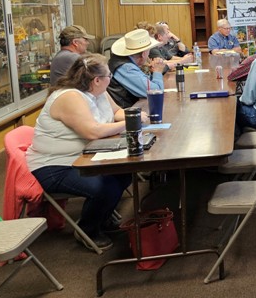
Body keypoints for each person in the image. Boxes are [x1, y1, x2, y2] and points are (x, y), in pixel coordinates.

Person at [26, 53, 135, 250]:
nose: (111, 78)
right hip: (54, 166)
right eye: (109, 75)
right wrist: (130, 123)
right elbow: (92, 131)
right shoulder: (69, 97)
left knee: (125, 173)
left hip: (85, 157)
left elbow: (116, 112)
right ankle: (87, 230)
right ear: (97, 80)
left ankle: (102, 218)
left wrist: (133, 115)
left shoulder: (99, 91)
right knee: (105, 186)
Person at [107, 28, 165, 109]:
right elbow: (156, 92)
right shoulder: (127, 68)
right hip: (126, 115)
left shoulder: (126, 62)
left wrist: (153, 72)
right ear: (144, 54)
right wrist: (158, 72)